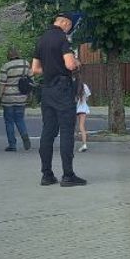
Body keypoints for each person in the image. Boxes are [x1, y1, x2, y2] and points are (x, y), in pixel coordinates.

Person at [31, 13, 86, 187]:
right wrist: (76, 62)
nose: (69, 30)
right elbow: (69, 64)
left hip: (47, 90)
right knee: (67, 132)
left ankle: (46, 175)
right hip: (62, 89)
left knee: (48, 132)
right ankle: (68, 176)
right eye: (69, 27)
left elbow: (35, 69)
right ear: (65, 23)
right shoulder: (62, 39)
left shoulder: (41, 40)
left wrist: (50, 70)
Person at [0, 47, 32, 152]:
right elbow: (30, 81)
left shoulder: (6, 66)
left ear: (8, 55)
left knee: (9, 121)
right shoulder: (26, 64)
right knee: (20, 119)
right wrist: (30, 94)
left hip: (8, 98)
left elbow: (2, 84)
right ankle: (25, 136)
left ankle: (12, 145)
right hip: (21, 97)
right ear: (18, 53)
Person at [75, 79, 92, 153]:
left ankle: (74, 140)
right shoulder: (84, 86)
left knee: (75, 125)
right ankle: (84, 144)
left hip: (76, 108)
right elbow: (88, 97)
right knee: (82, 126)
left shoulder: (74, 86)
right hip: (83, 108)